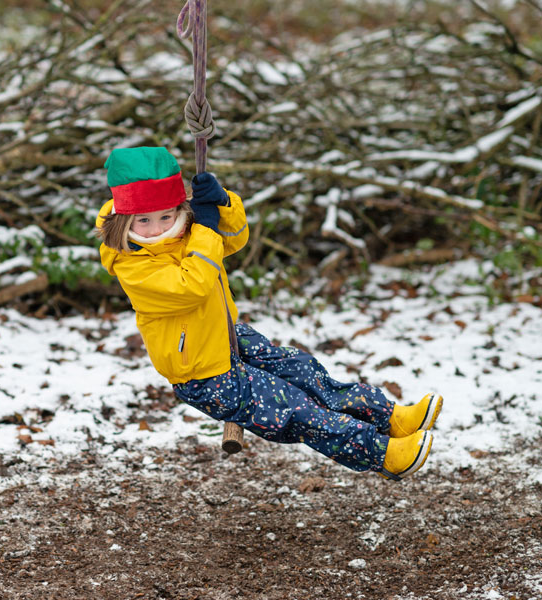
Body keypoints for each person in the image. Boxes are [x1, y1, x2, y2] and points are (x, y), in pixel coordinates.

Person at [96, 146, 443, 481]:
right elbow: (192, 286)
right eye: (144, 220)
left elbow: (233, 238)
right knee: (296, 409)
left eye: (165, 217)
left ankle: (391, 418)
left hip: (228, 337)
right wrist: (204, 229)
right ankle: (383, 455)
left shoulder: (185, 230)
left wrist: (222, 204)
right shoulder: (131, 264)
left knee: (304, 371)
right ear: (124, 219)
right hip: (202, 373)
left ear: (178, 210)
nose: (156, 228)